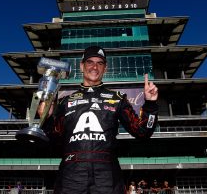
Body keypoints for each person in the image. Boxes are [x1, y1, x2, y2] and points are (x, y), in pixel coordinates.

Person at [38, 46, 159, 194]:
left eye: (100, 63)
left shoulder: (118, 99)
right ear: (82, 66)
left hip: (107, 176)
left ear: (105, 68)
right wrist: (46, 118)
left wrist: (151, 104)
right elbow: (52, 139)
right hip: (71, 175)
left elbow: (142, 131)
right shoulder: (64, 102)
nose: (95, 67)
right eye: (90, 62)